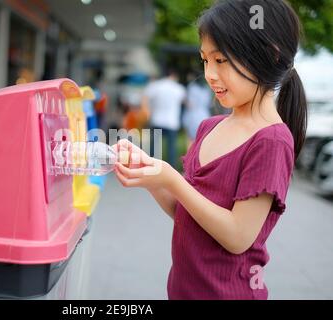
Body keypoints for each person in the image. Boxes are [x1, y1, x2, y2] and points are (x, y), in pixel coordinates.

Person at [112, 0, 306, 300]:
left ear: (269, 55)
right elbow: (187, 213)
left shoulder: (271, 141)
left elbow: (237, 236)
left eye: (221, 60)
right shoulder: (209, 127)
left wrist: (172, 180)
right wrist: (153, 178)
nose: (209, 74)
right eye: (205, 60)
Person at [142, 68, 186, 168]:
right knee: (171, 148)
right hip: (172, 122)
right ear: (174, 76)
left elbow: (145, 97)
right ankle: (171, 170)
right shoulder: (178, 88)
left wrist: (147, 112)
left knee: (155, 147)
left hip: (157, 120)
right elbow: (185, 102)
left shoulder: (157, 86)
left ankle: (151, 167)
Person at [182, 72, 213, 149]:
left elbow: (189, 104)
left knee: (190, 139)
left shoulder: (191, 87)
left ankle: (189, 158)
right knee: (202, 140)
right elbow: (209, 103)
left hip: (192, 115)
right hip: (205, 115)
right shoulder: (207, 89)